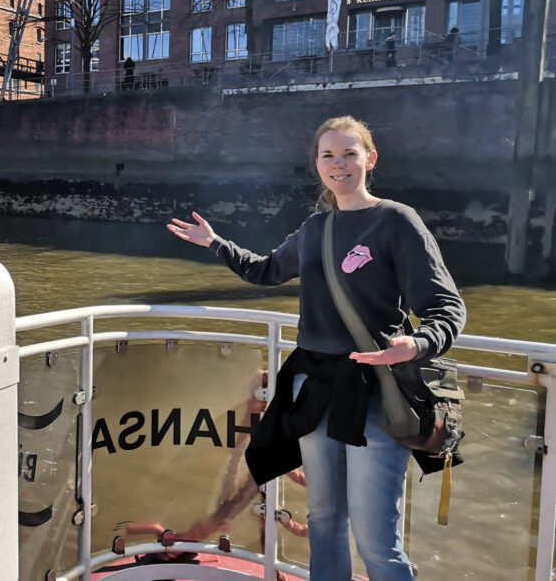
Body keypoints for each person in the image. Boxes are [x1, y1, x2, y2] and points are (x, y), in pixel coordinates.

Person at [166, 115, 466, 581]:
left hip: (375, 389)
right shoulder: (315, 229)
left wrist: (416, 344)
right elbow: (266, 270)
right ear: (318, 165)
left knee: (375, 540)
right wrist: (216, 243)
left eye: (349, 153)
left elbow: (447, 307)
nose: (339, 164)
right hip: (316, 389)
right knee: (325, 520)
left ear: (370, 159)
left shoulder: (396, 222)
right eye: (328, 155)